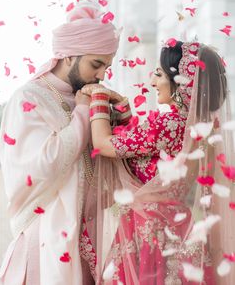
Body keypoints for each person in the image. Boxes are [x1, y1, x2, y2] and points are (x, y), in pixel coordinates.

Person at [80, 41, 235, 284]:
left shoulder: (167, 124)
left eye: (159, 73)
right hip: (178, 226)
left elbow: (103, 144)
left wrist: (99, 97)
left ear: (182, 82)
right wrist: (122, 106)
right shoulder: (199, 128)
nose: (152, 81)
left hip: (149, 228)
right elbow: (139, 152)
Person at [0, 0, 120, 285]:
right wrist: (81, 114)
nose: (102, 75)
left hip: (88, 238)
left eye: (107, 66)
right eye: (96, 64)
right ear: (68, 56)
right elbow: (41, 166)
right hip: (44, 239)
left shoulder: (91, 98)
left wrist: (118, 117)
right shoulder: (29, 99)